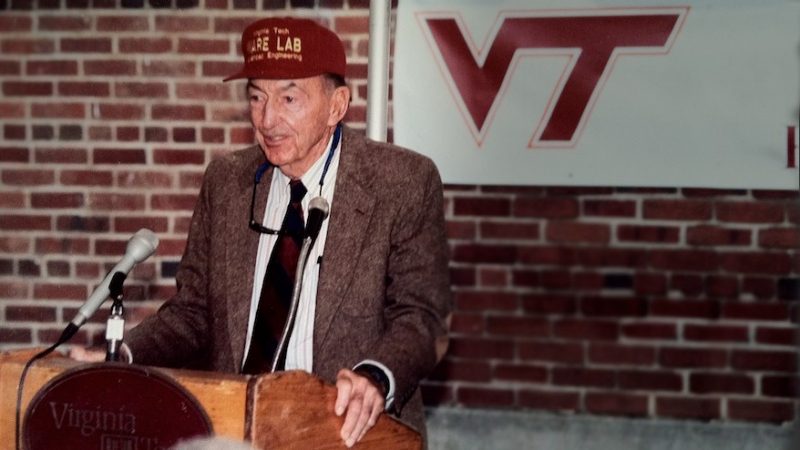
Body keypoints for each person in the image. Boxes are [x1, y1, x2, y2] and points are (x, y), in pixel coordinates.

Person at [71, 17, 451, 447]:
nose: (268, 119)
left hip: (345, 431)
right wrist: (123, 356)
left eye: (289, 98)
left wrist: (375, 378)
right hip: (235, 428)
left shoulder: (402, 182)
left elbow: (421, 318)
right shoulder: (226, 181)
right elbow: (194, 313)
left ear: (336, 105)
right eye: (256, 97)